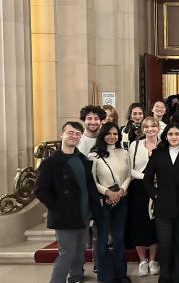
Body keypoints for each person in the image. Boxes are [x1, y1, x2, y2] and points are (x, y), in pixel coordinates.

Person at [35, 121, 102, 283]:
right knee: (67, 253)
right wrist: (58, 207)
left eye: (78, 134)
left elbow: (89, 186)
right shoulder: (50, 163)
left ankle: (76, 277)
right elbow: (40, 190)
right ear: (62, 135)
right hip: (64, 216)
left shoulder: (82, 159)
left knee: (79, 252)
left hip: (83, 214)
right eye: (70, 132)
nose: (74, 136)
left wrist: (94, 207)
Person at [142, 123, 179, 283]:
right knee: (165, 242)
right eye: (171, 134)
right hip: (163, 203)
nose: (174, 137)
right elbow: (147, 179)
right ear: (166, 136)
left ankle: (178, 274)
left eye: (177, 134)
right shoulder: (157, 154)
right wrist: (155, 195)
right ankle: (165, 274)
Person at [89, 122, 132, 283]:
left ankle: (120, 275)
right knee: (102, 239)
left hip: (122, 199)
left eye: (115, 134)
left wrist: (120, 192)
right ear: (103, 135)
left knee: (119, 238)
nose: (112, 136)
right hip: (104, 201)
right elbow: (92, 181)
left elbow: (128, 175)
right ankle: (105, 277)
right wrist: (108, 193)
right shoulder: (94, 155)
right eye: (109, 133)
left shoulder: (123, 152)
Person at [128, 117, 160, 277]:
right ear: (142, 129)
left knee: (154, 224)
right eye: (146, 126)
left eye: (153, 126)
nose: (149, 129)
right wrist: (146, 178)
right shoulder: (135, 146)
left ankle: (153, 260)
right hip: (139, 188)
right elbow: (130, 169)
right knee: (139, 224)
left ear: (158, 128)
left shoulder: (164, 145)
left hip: (158, 188)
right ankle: (142, 261)